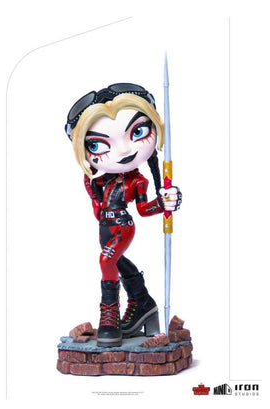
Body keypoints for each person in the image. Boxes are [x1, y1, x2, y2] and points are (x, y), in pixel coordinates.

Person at [65, 83, 182, 347]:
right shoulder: (101, 180)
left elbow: (143, 209)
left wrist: (163, 203)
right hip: (104, 226)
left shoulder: (137, 181)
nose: (124, 151)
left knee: (106, 261)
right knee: (116, 262)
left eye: (138, 132)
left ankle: (109, 314)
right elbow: (95, 196)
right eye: (97, 144)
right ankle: (142, 302)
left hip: (122, 225)